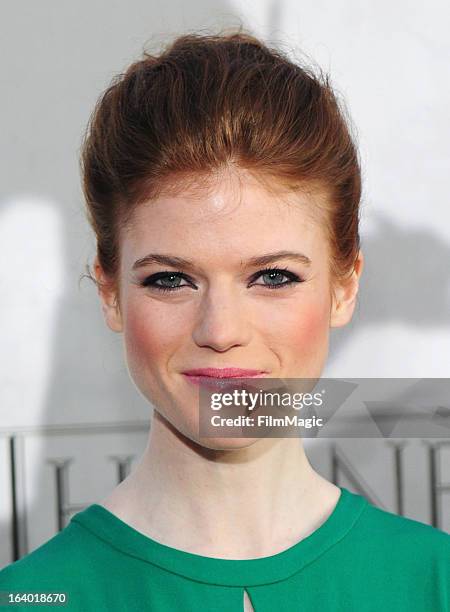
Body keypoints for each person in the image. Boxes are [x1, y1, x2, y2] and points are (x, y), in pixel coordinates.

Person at [0, 27, 448, 612]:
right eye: (170, 280)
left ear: (344, 286)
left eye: (273, 277)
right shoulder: (32, 600)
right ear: (110, 292)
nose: (220, 330)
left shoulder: (435, 582)